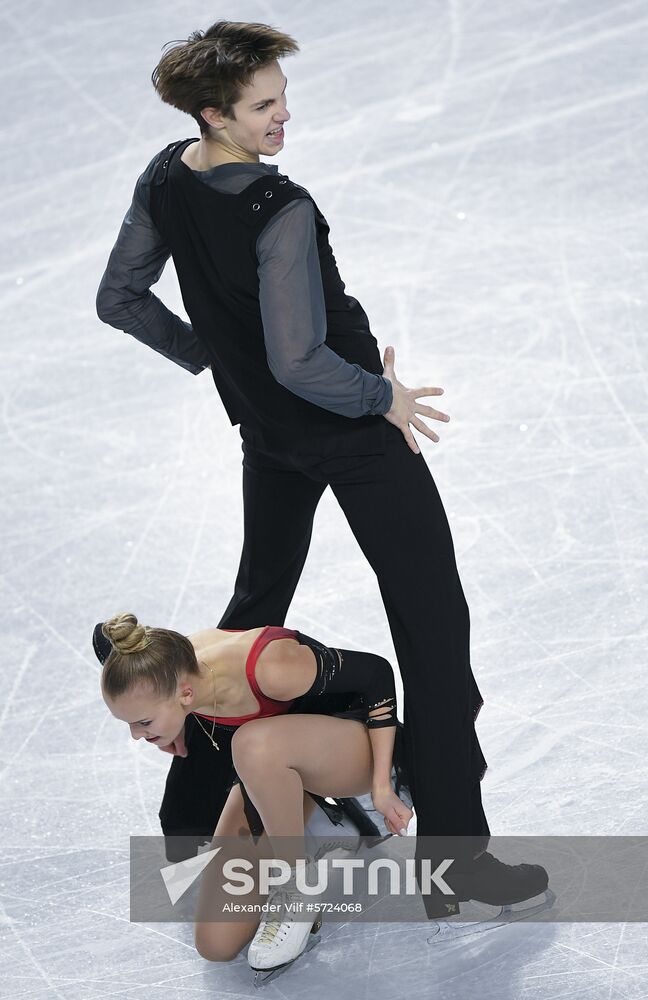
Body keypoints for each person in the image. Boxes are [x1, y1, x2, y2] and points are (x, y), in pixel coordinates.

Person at [94, 19, 549, 922]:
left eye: (282, 98)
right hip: (352, 437)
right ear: (215, 112)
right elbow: (302, 360)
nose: (284, 117)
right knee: (434, 640)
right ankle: (455, 866)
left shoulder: (164, 176)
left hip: (269, 440)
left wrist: (215, 363)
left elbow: (119, 298)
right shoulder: (279, 207)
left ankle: (190, 835)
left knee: (245, 622)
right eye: (264, 105)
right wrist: (382, 399)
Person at [96, 612, 413, 974]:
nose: (136, 735)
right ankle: (327, 828)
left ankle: (297, 887)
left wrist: (382, 788)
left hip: (357, 753)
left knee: (251, 745)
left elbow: (377, 674)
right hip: (278, 771)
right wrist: (169, 728)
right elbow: (107, 645)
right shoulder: (168, 670)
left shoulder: (271, 668)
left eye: (143, 722)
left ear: (185, 694)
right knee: (217, 944)